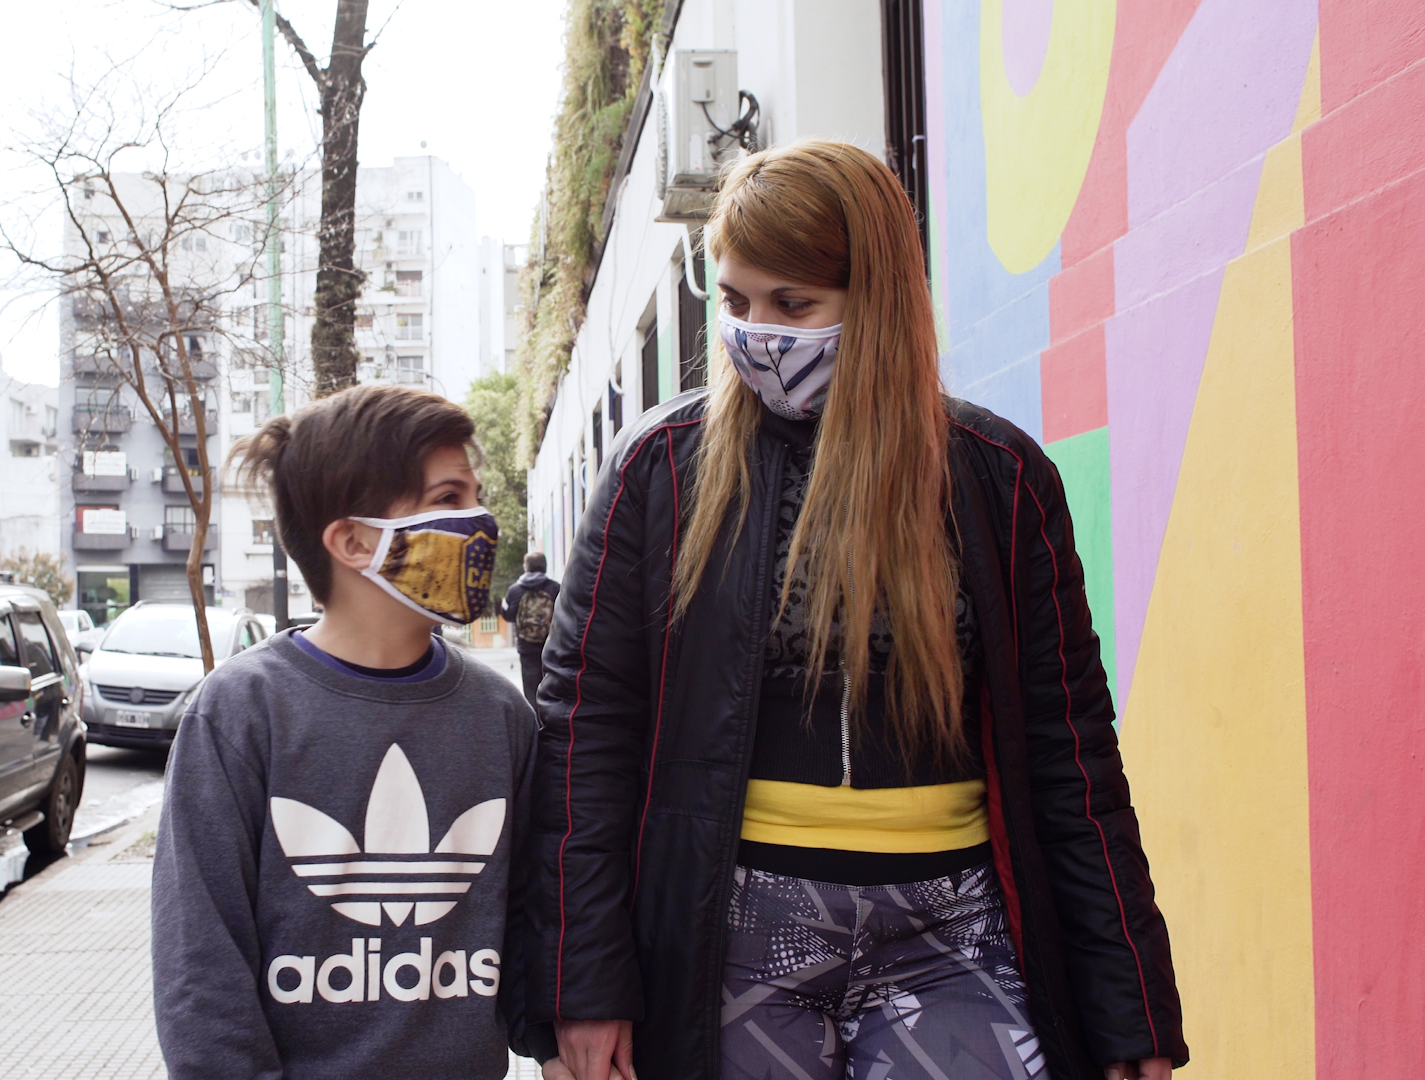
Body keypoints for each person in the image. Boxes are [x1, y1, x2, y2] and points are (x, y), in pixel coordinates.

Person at [516, 141, 1186, 1080]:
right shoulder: (658, 471)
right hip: (730, 930)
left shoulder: (998, 479)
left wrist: (1132, 1014)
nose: (758, 333)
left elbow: (1071, 750)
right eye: (738, 301)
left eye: (795, 305)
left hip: (954, 930)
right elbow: (585, 739)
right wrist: (576, 990)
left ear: (877, 301)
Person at [151, 384, 537, 1080]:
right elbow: (200, 962)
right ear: (354, 541)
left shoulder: (500, 716)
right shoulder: (240, 712)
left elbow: (536, 924)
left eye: (476, 496)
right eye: (449, 499)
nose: (481, 523)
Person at [500, 552, 561, 712]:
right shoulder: (555, 588)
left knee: (531, 689)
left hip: (526, 648)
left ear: (526, 567)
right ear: (544, 567)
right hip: (551, 646)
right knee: (553, 686)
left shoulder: (514, 590)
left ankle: (535, 724)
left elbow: (506, 614)